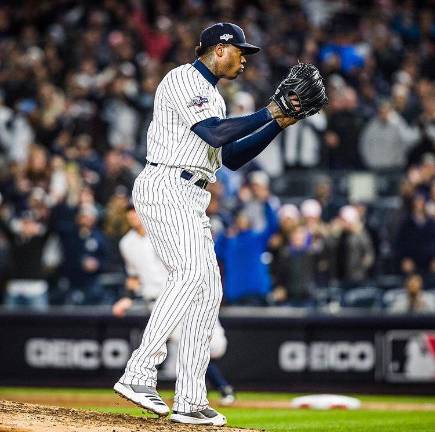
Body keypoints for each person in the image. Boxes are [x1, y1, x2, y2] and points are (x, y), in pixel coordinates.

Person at [113, 22, 300, 426]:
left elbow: (230, 155)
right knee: (191, 273)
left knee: (208, 289)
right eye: (241, 52)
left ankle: (190, 397)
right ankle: (140, 372)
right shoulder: (182, 79)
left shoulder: (213, 97)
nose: (245, 59)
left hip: (192, 194)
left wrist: (278, 122)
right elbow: (215, 135)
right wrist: (269, 109)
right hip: (167, 182)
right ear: (219, 49)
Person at [112, 204, 236, 406]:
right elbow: (133, 276)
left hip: (185, 295)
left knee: (215, 345)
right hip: (157, 300)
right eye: (131, 217)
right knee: (188, 344)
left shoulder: (164, 232)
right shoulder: (127, 243)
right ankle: (144, 381)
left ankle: (195, 391)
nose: (135, 219)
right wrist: (127, 297)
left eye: (136, 215)